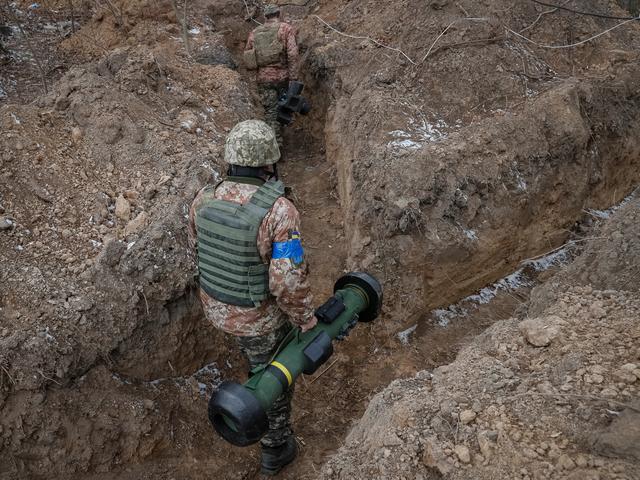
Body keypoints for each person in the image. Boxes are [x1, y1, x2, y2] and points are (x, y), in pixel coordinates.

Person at [188, 119, 315, 475]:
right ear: (269, 161)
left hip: (214, 306)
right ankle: (276, 448)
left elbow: (198, 247)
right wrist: (305, 319)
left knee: (253, 349)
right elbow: (287, 281)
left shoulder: (204, 198)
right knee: (273, 374)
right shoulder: (278, 211)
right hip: (257, 320)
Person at [244, 4, 300, 146]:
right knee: (283, 107)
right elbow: (292, 54)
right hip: (282, 77)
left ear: (265, 16)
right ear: (278, 14)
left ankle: (274, 143)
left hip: (263, 79)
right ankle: (278, 144)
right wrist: (293, 77)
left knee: (270, 111)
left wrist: (254, 78)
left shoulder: (255, 32)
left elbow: (249, 56)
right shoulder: (286, 29)